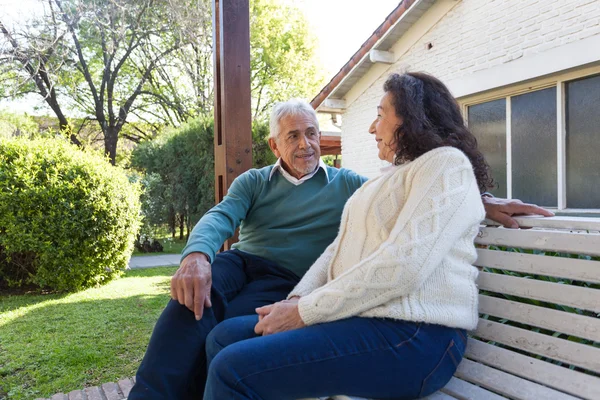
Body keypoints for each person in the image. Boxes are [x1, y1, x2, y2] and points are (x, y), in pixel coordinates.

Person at [129, 94, 553, 399]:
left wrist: (481, 199)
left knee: (225, 338)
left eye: (311, 133)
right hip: (243, 263)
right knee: (193, 298)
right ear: (275, 145)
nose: (305, 144)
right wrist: (197, 255)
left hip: (290, 278)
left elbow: (418, 202)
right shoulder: (255, 181)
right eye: (293, 136)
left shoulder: (349, 184)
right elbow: (221, 216)